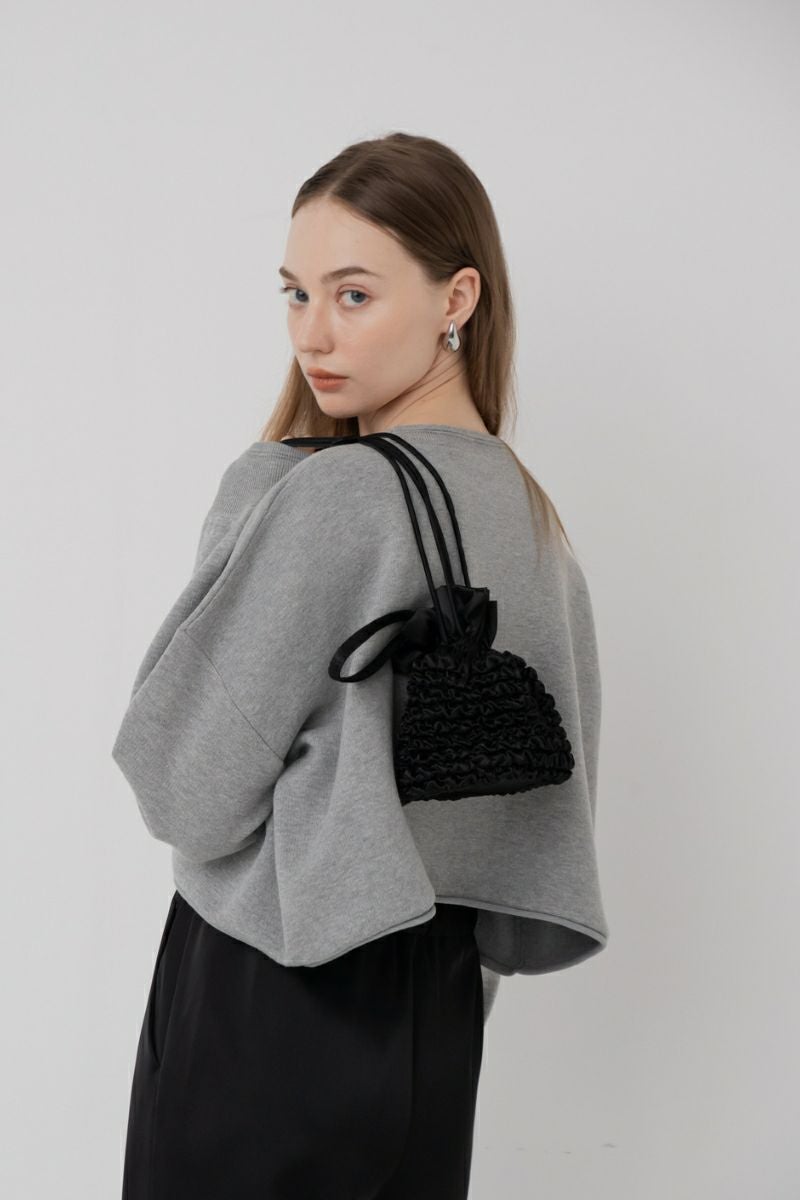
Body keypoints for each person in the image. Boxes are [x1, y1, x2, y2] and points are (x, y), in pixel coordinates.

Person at [112, 130, 608, 1200]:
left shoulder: (331, 496)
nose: (312, 333)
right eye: (295, 294)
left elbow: (178, 783)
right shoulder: (531, 520)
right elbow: (520, 817)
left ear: (456, 298)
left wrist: (254, 498)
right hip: (434, 1016)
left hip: (269, 1000)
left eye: (353, 295)